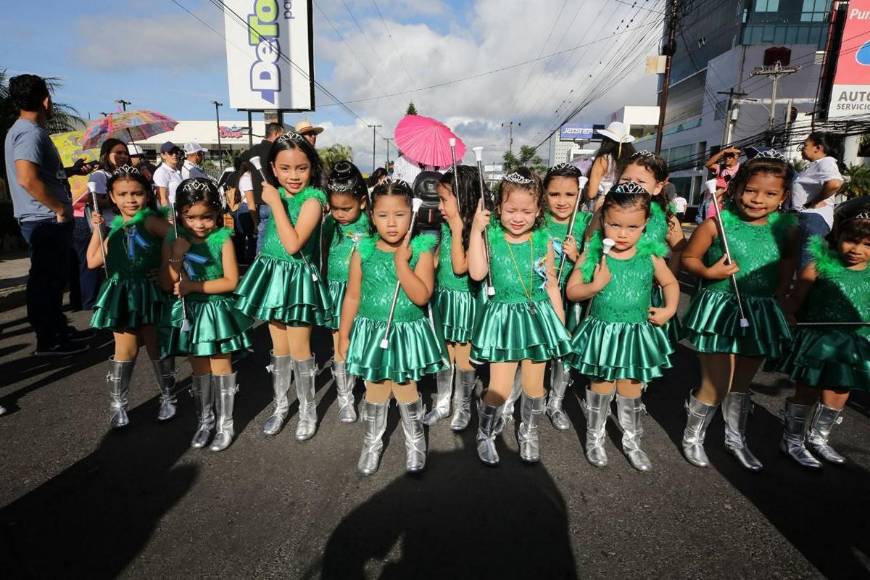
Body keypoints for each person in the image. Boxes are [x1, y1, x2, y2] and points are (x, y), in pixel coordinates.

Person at [680, 152, 798, 472]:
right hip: (719, 308)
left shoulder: (786, 229)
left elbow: (788, 261)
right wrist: (709, 273)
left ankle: (735, 437)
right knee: (717, 383)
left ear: (783, 196)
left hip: (760, 310)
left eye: (770, 193)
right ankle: (693, 435)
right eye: (751, 190)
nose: (758, 199)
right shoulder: (715, 224)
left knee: (740, 385)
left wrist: (784, 292)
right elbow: (688, 259)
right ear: (736, 188)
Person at [566, 182, 678, 471]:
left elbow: (669, 282)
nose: (623, 234)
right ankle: (595, 437)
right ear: (603, 221)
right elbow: (572, 291)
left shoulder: (649, 254)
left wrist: (669, 308)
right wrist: (594, 285)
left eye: (632, 227)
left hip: (635, 334)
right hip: (603, 332)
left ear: (644, 225)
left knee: (631, 390)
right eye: (615, 225)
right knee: (601, 386)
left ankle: (632, 440)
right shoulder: (594, 254)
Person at [338, 179, 446, 475]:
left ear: (411, 214)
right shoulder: (364, 251)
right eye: (383, 215)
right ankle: (372, 442)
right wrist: (344, 335)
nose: (392, 223)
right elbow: (352, 296)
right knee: (375, 390)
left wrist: (402, 265)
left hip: (405, 333)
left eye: (399, 214)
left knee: (405, 388)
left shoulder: (421, 249)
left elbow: (422, 295)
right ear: (372, 216)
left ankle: (415, 442)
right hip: (372, 331)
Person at [468, 168, 572, 466]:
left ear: (538, 210)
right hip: (503, 320)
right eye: (511, 209)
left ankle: (529, 431)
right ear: (498, 208)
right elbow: (477, 272)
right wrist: (476, 229)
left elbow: (551, 283)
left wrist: (560, 325)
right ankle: (485, 433)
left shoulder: (543, 241)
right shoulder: (492, 238)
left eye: (527, 210)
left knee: (535, 386)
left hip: (538, 319)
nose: (518, 217)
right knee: (498, 387)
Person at [234, 131, 332, 441]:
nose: (293, 175)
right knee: (278, 349)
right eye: (285, 168)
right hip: (273, 276)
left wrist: (274, 202)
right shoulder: (276, 194)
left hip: (298, 280)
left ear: (311, 168)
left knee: (300, 348)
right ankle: (279, 406)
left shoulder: (314, 200)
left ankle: (306, 409)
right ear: (273, 168)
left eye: (301, 168)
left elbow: (292, 244)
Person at [3, 73, 94, 356]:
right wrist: (59, 207)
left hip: (45, 218)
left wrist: (71, 172)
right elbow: (26, 178)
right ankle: (49, 339)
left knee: (53, 279)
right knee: (46, 281)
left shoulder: (28, 130)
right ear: (45, 100)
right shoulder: (28, 132)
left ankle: (58, 330)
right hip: (43, 218)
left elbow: (41, 174)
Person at [163, 178, 253, 451]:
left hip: (216, 311)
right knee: (199, 368)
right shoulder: (174, 240)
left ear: (217, 214)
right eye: (191, 218)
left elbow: (231, 281)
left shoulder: (222, 240)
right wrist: (176, 257)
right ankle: (205, 420)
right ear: (180, 215)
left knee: (221, 365)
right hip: (191, 313)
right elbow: (168, 284)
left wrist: (193, 286)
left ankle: (226, 423)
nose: (200, 224)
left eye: (207, 217)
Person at [778, 200, 869, 469]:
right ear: (837, 235)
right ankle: (792, 439)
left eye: (867, 244)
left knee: (840, 391)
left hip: (854, 342)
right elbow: (796, 299)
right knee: (807, 390)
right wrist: (789, 313)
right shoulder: (817, 266)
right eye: (851, 240)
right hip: (818, 341)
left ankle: (819, 438)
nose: (857, 250)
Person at [87, 166, 174, 428]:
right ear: (112, 197)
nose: (130, 199)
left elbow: (177, 238)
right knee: (125, 350)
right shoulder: (113, 228)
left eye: (136, 193)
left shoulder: (150, 221)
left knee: (156, 345)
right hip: (122, 295)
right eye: (122, 194)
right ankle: (118, 405)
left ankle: (168, 396)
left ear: (146, 195)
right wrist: (97, 230)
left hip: (150, 292)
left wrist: (166, 269)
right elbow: (92, 261)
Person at [425, 165, 484, 430]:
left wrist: (459, 226)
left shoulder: (475, 230)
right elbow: (440, 261)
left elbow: (461, 267)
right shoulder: (447, 227)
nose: (440, 206)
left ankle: (463, 407)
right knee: (444, 354)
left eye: (444, 200)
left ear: (464, 198)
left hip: (465, 301)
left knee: (464, 359)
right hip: (445, 298)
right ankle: (442, 403)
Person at [538, 163, 591, 430]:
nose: (562, 201)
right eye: (554, 194)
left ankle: (556, 401)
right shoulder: (536, 220)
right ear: (544, 194)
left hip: (570, 298)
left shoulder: (584, 224)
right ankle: (529, 395)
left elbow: (595, 263)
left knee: (564, 352)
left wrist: (576, 256)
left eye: (569, 195)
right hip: (540, 294)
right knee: (535, 347)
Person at [323, 161, 370, 424]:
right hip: (336, 289)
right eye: (335, 208)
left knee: (362, 341)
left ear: (362, 202)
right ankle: (345, 397)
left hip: (364, 292)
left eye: (346, 208)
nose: (339, 213)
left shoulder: (373, 224)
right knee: (340, 343)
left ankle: (370, 392)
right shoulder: (329, 225)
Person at [791, 132, 845, 269]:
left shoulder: (826, 161)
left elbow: (834, 183)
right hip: (807, 219)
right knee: (799, 264)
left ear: (818, 148)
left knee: (805, 267)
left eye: (805, 145)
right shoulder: (814, 165)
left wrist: (814, 202)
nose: (802, 149)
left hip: (813, 218)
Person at [239, 122, 285, 249]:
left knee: (262, 235)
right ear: (275, 133)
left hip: (259, 201)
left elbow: (241, 159)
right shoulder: (275, 150)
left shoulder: (253, 150)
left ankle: (259, 263)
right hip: (274, 198)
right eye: (281, 135)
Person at [585, 121, 636, 210]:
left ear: (606, 140)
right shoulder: (633, 160)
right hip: (627, 204)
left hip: (603, 204)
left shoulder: (603, 159)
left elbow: (591, 193)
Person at [153, 141, 183, 207]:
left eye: (176, 152)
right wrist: (168, 215)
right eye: (170, 152)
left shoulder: (176, 171)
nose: (174, 155)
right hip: (170, 213)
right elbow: (162, 198)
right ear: (163, 155)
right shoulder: (161, 172)